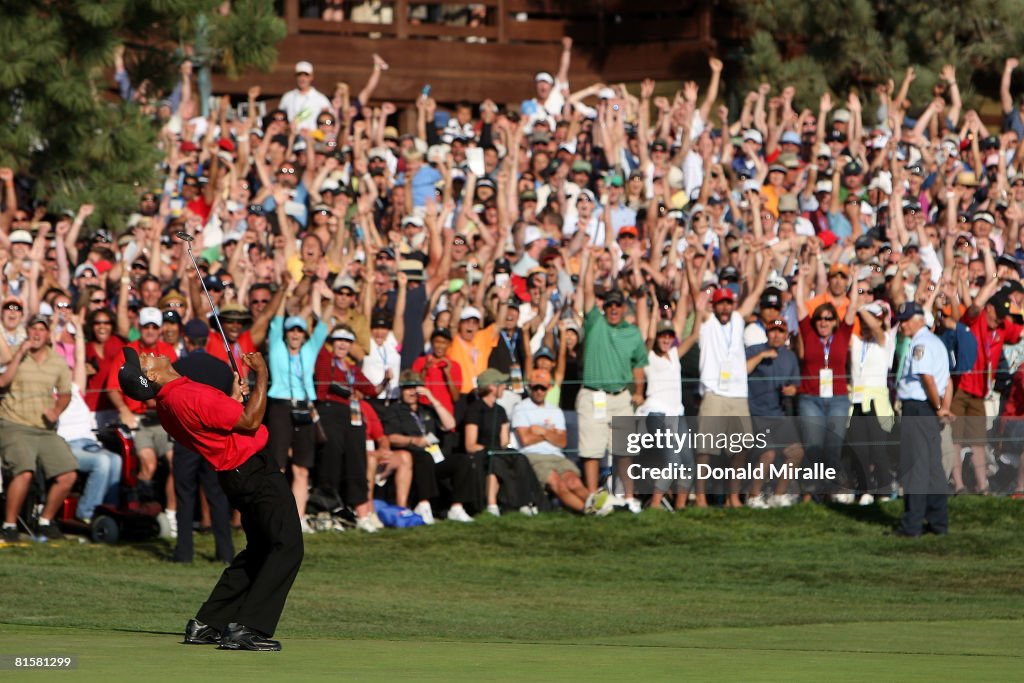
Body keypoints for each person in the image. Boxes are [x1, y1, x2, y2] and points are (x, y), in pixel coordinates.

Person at [118, 346, 301, 651]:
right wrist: (262, 375)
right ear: (150, 375)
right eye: (144, 359)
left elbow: (221, 422)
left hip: (236, 474)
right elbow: (250, 422)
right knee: (287, 546)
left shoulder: (171, 400)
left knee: (259, 550)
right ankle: (247, 627)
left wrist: (230, 399)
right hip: (254, 471)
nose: (148, 353)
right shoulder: (185, 396)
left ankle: (209, 623)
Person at [577, 249, 649, 508]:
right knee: (592, 451)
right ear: (604, 307)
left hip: (621, 395)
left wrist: (639, 391)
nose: (614, 309)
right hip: (593, 393)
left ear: (623, 307)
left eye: (618, 305)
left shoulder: (632, 333)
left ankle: (628, 498)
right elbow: (586, 292)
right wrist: (587, 262)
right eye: (610, 305)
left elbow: (639, 366)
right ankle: (594, 499)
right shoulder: (596, 323)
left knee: (624, 450)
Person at [0, 316, 78, 541]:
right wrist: (19, 354)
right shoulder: (14, 353)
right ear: (27, 332)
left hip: (44, 428)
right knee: (24, 471)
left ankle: (45, 521)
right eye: (32, 328)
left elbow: (65, 393)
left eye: (41, 329)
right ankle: (9, 524)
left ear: (47, 334)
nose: (36, 333)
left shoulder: (57, 361)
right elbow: (3, 382)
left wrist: (57, 410)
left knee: (68, 473)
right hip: (13, 424)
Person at [170, 319, 235, 564]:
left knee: (185, 495)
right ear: (206, 341)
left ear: (186, 340)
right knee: (217, 495)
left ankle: (184, 553)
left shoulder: (178, 367)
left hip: (187, 439)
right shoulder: (222, 369)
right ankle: (225, 552)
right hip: (214, 440)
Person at [892, 302, 953, 537]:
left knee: (915, 467)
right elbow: (947, 381)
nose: (902, 324)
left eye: (906, 320)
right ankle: (939, 522)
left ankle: (912, 525)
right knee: (933, 466)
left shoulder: (921, 343)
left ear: (919, 319)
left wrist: (938, 406)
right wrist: (942, 406)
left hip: (919, 407)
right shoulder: (936, 341)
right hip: (928, 408)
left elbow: (926, 378)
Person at [511, 369, 592, 513]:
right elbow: (525, 440)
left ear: (549, 388)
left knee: (574, 483)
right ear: (529, 387)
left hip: (557, 456)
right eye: (535, 387)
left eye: (543, 387)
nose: (539, 391)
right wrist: (551, 433)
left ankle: (597, 508)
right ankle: (589, 512)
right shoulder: (520, 408)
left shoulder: (555, 411)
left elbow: (562, 442)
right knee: (558, 484)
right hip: (534, 456)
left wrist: (541, 431)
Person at [465, 368, 542, 516]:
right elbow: (470, 444)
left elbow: (504, 441)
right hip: (481, 453)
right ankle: (492, 505)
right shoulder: (474, 410)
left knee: (520, 459)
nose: (504, 387)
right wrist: (491, 449)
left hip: (499, 451)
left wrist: (503, 449)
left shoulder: (500, 411)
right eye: (501, 384)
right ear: (491, 387)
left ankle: (525, 502)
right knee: (495, 461)